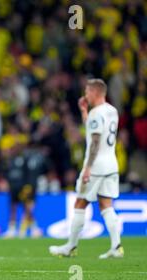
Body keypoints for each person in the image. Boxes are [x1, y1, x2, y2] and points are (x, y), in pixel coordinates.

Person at [49, 79, 123, 259]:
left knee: (80, 203)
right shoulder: (112, 111)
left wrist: (88, 167)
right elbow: (93, 130)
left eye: (88, 92)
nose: (86, 95)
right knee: (106, 205)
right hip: (111, 164)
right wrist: (84, 111)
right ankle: (116, 246)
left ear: (96, 92)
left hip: (96, 166)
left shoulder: (97, 113)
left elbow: (95, 142)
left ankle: (70, 247)